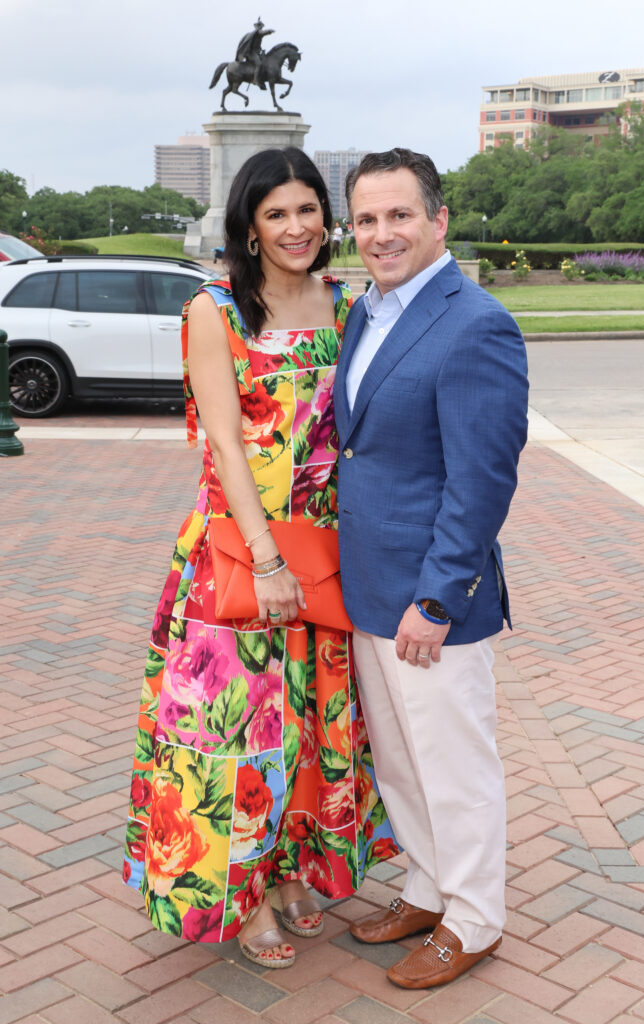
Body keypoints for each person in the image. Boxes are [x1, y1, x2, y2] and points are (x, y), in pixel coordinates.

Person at [123, 147, 398, 970]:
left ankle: (286, 877)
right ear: (248, 225)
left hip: (325, 553)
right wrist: (267, 559)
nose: (295, 227)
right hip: (239, 558)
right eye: (275, 213)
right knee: (236, 738)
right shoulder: (214, 309)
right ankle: (241, 903)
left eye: (307, 209)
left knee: (309, 732)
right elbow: (226, 447)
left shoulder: (347, 304)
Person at [334, 148, 528, 990]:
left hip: (429, 598)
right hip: (367, 587)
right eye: (367, 220)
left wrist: (439, 598)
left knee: (454, 763)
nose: (382, 234)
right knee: (403, 764)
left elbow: (480, 480)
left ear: (437, 220)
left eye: (399, 215)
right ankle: (425, 887)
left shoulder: (474, 321)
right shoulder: (364, 313)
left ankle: (476, 917)